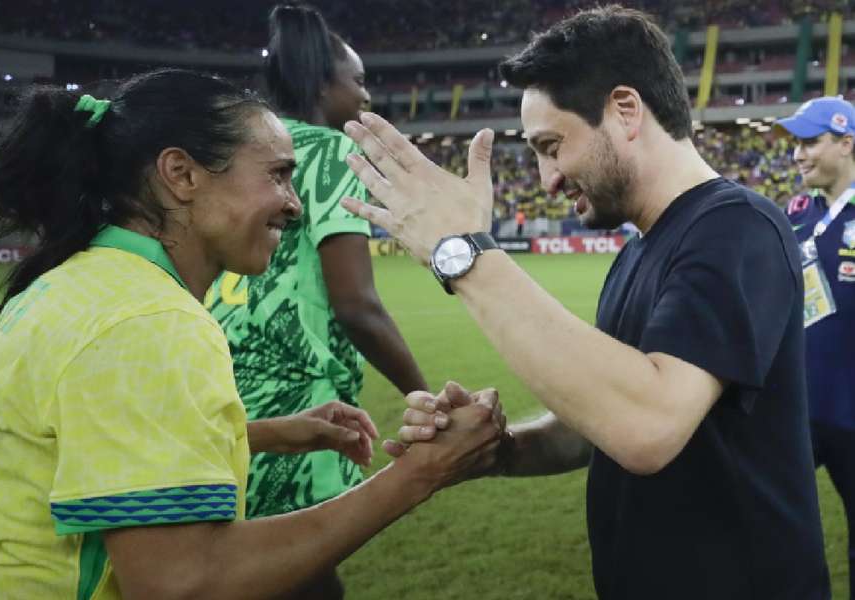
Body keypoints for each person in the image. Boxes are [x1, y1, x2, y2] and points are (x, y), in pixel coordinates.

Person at [0, 69, 502, 600]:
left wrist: (259, 433)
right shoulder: (148, 320)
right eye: (277, 174)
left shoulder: (81, 283)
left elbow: (85, 440)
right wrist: (419, 474)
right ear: (182, 174)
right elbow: (183, 581)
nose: (294, 204)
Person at [340, 6, 830, 600]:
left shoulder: (739, 228)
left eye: (551, 146)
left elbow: (646, 425)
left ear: (625, 111)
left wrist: (463, 254)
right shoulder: (639, 253)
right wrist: (498, 448)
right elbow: (596, 424)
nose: (547, 178)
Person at [207, 10, 426, 592]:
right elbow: (356, 303)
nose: (366, 94)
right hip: (297, 398)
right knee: (299, 572)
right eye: (357, 81)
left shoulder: (238, 148)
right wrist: (423, 395)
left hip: (221, 395)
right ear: (322, 84)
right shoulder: (330, 154)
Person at [776, 96, 855, 599]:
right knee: (771, 530)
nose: (798, 155)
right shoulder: (798, 211)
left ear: (847, 142)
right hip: (800, 410)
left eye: (810, 142)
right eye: (795, 144)